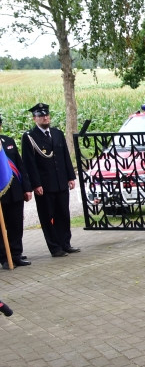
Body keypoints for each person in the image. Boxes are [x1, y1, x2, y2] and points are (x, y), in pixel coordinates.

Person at [21, 103, 78, 258]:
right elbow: (29, 163)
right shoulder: (30, 137)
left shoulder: (57, 133)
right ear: (35, 119)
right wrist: (36, 184)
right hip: (45, 185)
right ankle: (55, 247)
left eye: (46, 115)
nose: (45, 117)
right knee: (48, 217)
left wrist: (70, 176)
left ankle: (65, 243)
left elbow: (65, 156)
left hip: (60, 182)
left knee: (63, 215)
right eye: (41, 116)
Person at [0, 115, 32, 267]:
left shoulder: (8, 141)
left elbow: (20, 166)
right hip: (1, 194)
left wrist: (26, 188)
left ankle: (16, 254)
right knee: (1, 228)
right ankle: (5, 257)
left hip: (15, 192)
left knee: (16, 225)